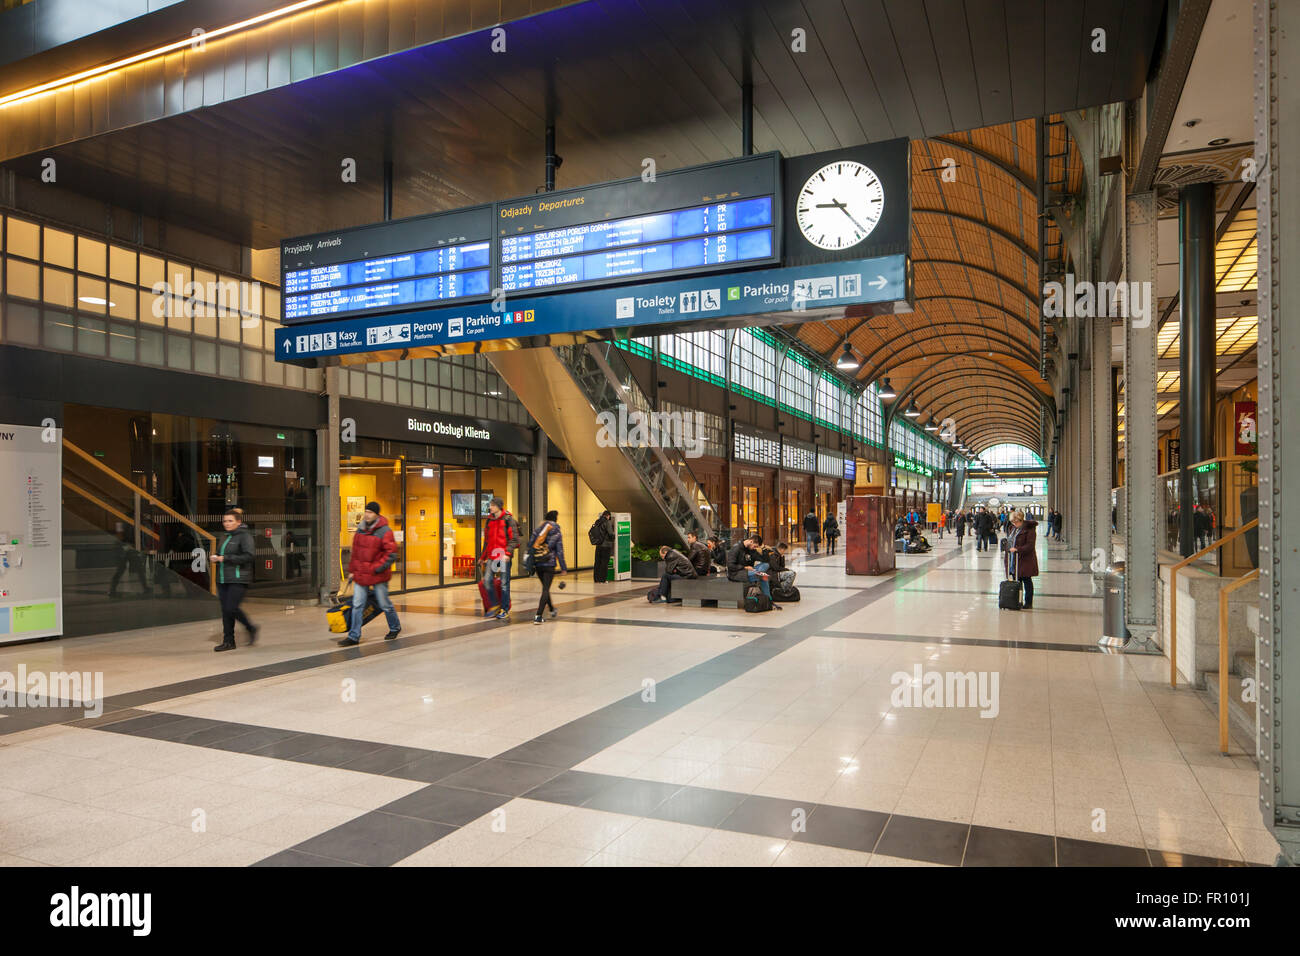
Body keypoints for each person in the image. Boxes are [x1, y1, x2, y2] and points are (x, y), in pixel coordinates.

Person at [341, 501, 401, 646]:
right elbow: (355, 554)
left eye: (370, 512)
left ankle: (395, 627)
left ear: (377, 514)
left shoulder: (385, 531)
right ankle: (354, 636)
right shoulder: (360, 530)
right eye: (366, 511)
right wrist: (352, 571)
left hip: (378, 575)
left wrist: (376, 568)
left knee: (384, 604)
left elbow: (391, 554)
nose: (367, 515)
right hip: (361, 574)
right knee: (357, 605)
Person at [212, 508, 258, 652]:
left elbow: (249, 556)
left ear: (239, 522)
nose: (227, 523)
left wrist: (225, 558)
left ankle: (250, 628)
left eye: (230, 521)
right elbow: (221, 554)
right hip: (223, 578)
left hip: (238, 578)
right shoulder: (224, 536)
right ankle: (228, 641)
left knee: (231, 608)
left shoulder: (245, 536)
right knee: (226, 611)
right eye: (225, 521)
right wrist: (216, 558)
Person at [479, 496, 520, 621]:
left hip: (502, 557)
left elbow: (515, 539)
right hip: (492, 556)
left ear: (498, 506)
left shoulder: (508, 520)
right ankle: (495, 605)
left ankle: (504, 609)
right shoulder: (489, 521)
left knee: (504, 583)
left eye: (492, 505)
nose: (490, 507)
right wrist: (482, 557)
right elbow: (487, 541)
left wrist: (507, 554)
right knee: (487, 580)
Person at [529, 510, 567, 624]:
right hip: (549, 564)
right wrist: (563, 567)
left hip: (538, 563)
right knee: (546, 589)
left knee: (546, 588)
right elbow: (559, 551)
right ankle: (538, 616)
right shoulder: (557, 531)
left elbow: (531, 544)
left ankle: (551, 609)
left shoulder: (539, 529)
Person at [1005, 509, 1039, 609]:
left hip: (1025, 560)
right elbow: (1010, 541)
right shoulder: (1013, 529)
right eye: (1012, 522)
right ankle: (1017, 600)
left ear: (1021, 520)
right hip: (1014, 559)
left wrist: (1017, 549)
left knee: (1026, 580)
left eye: (1016, 522)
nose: (1014, 524)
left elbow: (1030, 545)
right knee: (1017, 580)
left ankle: (1028, 602)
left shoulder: (1029, 530)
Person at [726, 534, 772, 602]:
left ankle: (758, 573)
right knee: (763, 576)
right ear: (751, 541)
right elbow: (730, 566)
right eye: (755, 546)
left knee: (765, 565)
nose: (755, 548)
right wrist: (745, 567)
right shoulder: (736, 548)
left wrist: (763, 548)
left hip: (750, 571)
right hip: (737, 573)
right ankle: (769, 599)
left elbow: (765, 560)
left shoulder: (751, 550)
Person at [590, 510, 615, 583]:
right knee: (604, 562)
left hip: (598, 545)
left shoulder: (597, 521)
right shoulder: (607, 522)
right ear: (608, 516)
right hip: (606, 546)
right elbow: (610, 533)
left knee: (597, 562)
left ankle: (596, 579)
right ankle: (602, 579)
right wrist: (614, 538)